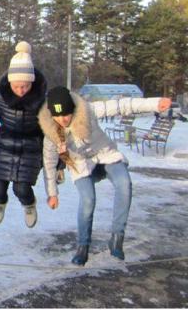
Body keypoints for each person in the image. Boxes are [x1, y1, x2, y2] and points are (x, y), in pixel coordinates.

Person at [39, 86, 172, 265]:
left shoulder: (88, 111)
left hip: (105, 155)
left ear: (72, 109)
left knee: (124, 183)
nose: (63, 119)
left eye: (66, 114)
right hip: (81, 165)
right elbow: (48, 163)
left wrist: (154, 103)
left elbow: (121, 106)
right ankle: (83, 246)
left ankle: (117, 237)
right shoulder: (51, 134)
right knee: (88, 200)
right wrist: (52, 193)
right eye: (57, 116)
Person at [0, 41, 47, 228]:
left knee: (21, 189)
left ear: (32, 82)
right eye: (16, 86)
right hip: (4, 145)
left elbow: (51, 130)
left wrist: (58, 161)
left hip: (31, 147)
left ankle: (29, 205)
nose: (21, 90)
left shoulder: (41, 100)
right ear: (10, 81)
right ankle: (0, 203)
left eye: (25, 86)